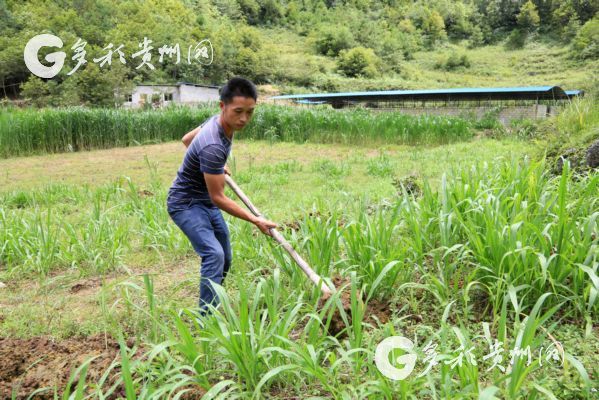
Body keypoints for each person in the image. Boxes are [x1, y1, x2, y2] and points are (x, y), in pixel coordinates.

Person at [166, 76, 278, 316]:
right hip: (185, 204)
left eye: (250, 112)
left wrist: (212, 168)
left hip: (204, 200)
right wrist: (256, 220)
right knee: (213, 255)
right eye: (238, 111)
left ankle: (214, 300)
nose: (244, 119)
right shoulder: (213, 145)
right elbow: (218, 198)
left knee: (225, 257)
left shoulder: (216, 124)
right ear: (223, 106)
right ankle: (206, 320)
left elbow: (187, 139)